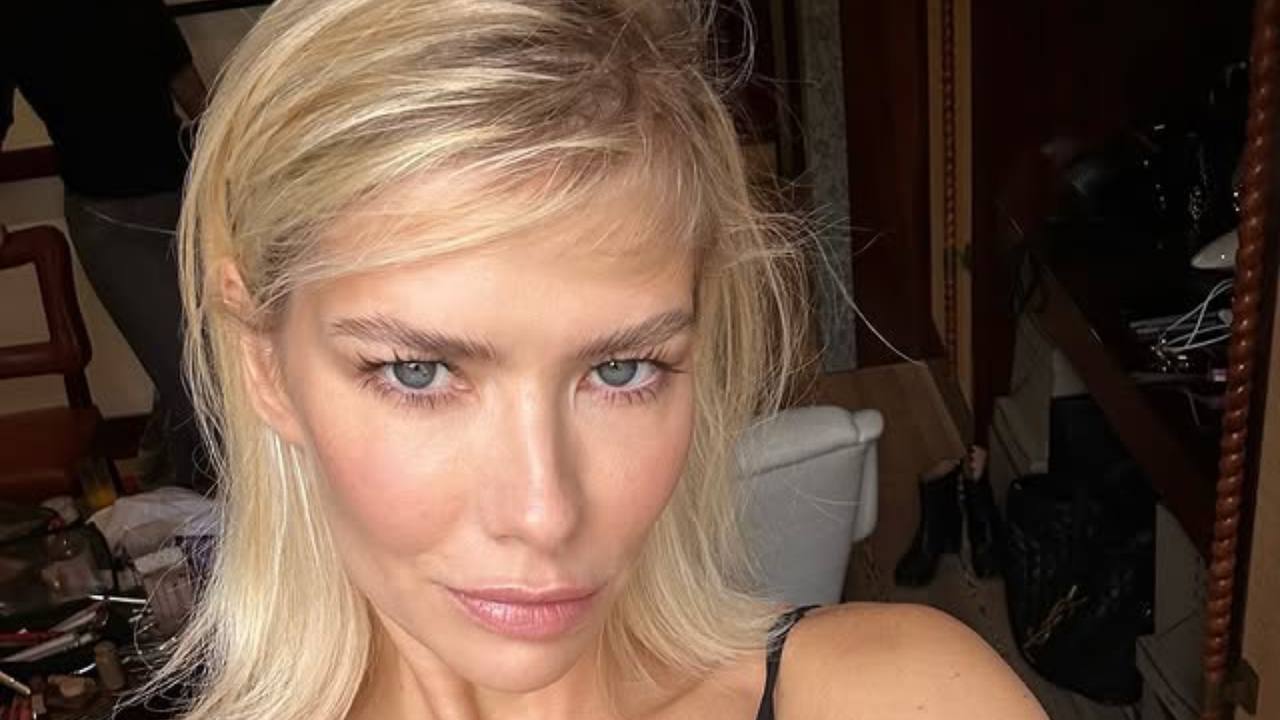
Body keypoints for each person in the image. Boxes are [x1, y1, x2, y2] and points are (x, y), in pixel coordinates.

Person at [143, 1, 1048, 718]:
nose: (545, 513)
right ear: (265, 364)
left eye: (622, 370)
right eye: (418, 372)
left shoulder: (903, 697)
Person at [0, 0, 212, 491]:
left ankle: (170, 491)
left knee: (210, 361)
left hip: (187, 201)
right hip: (111, 224)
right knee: (192, 379)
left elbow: (193, 94)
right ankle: (208, 505)